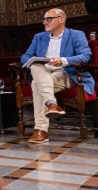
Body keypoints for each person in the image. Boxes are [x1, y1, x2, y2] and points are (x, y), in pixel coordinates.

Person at [20, 9, 93, 143]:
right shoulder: (39, 37)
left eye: (49, 19)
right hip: (43, 71)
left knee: (36, 85)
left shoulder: (76, 35)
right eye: (44, 19)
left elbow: (85, 56)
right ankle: (51, 104)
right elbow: (25, 56)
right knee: (36, 66)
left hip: (67, 72)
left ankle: (40, 130)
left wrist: (63, 60)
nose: (45, 22)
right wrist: (34, 60)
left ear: (61, 19)